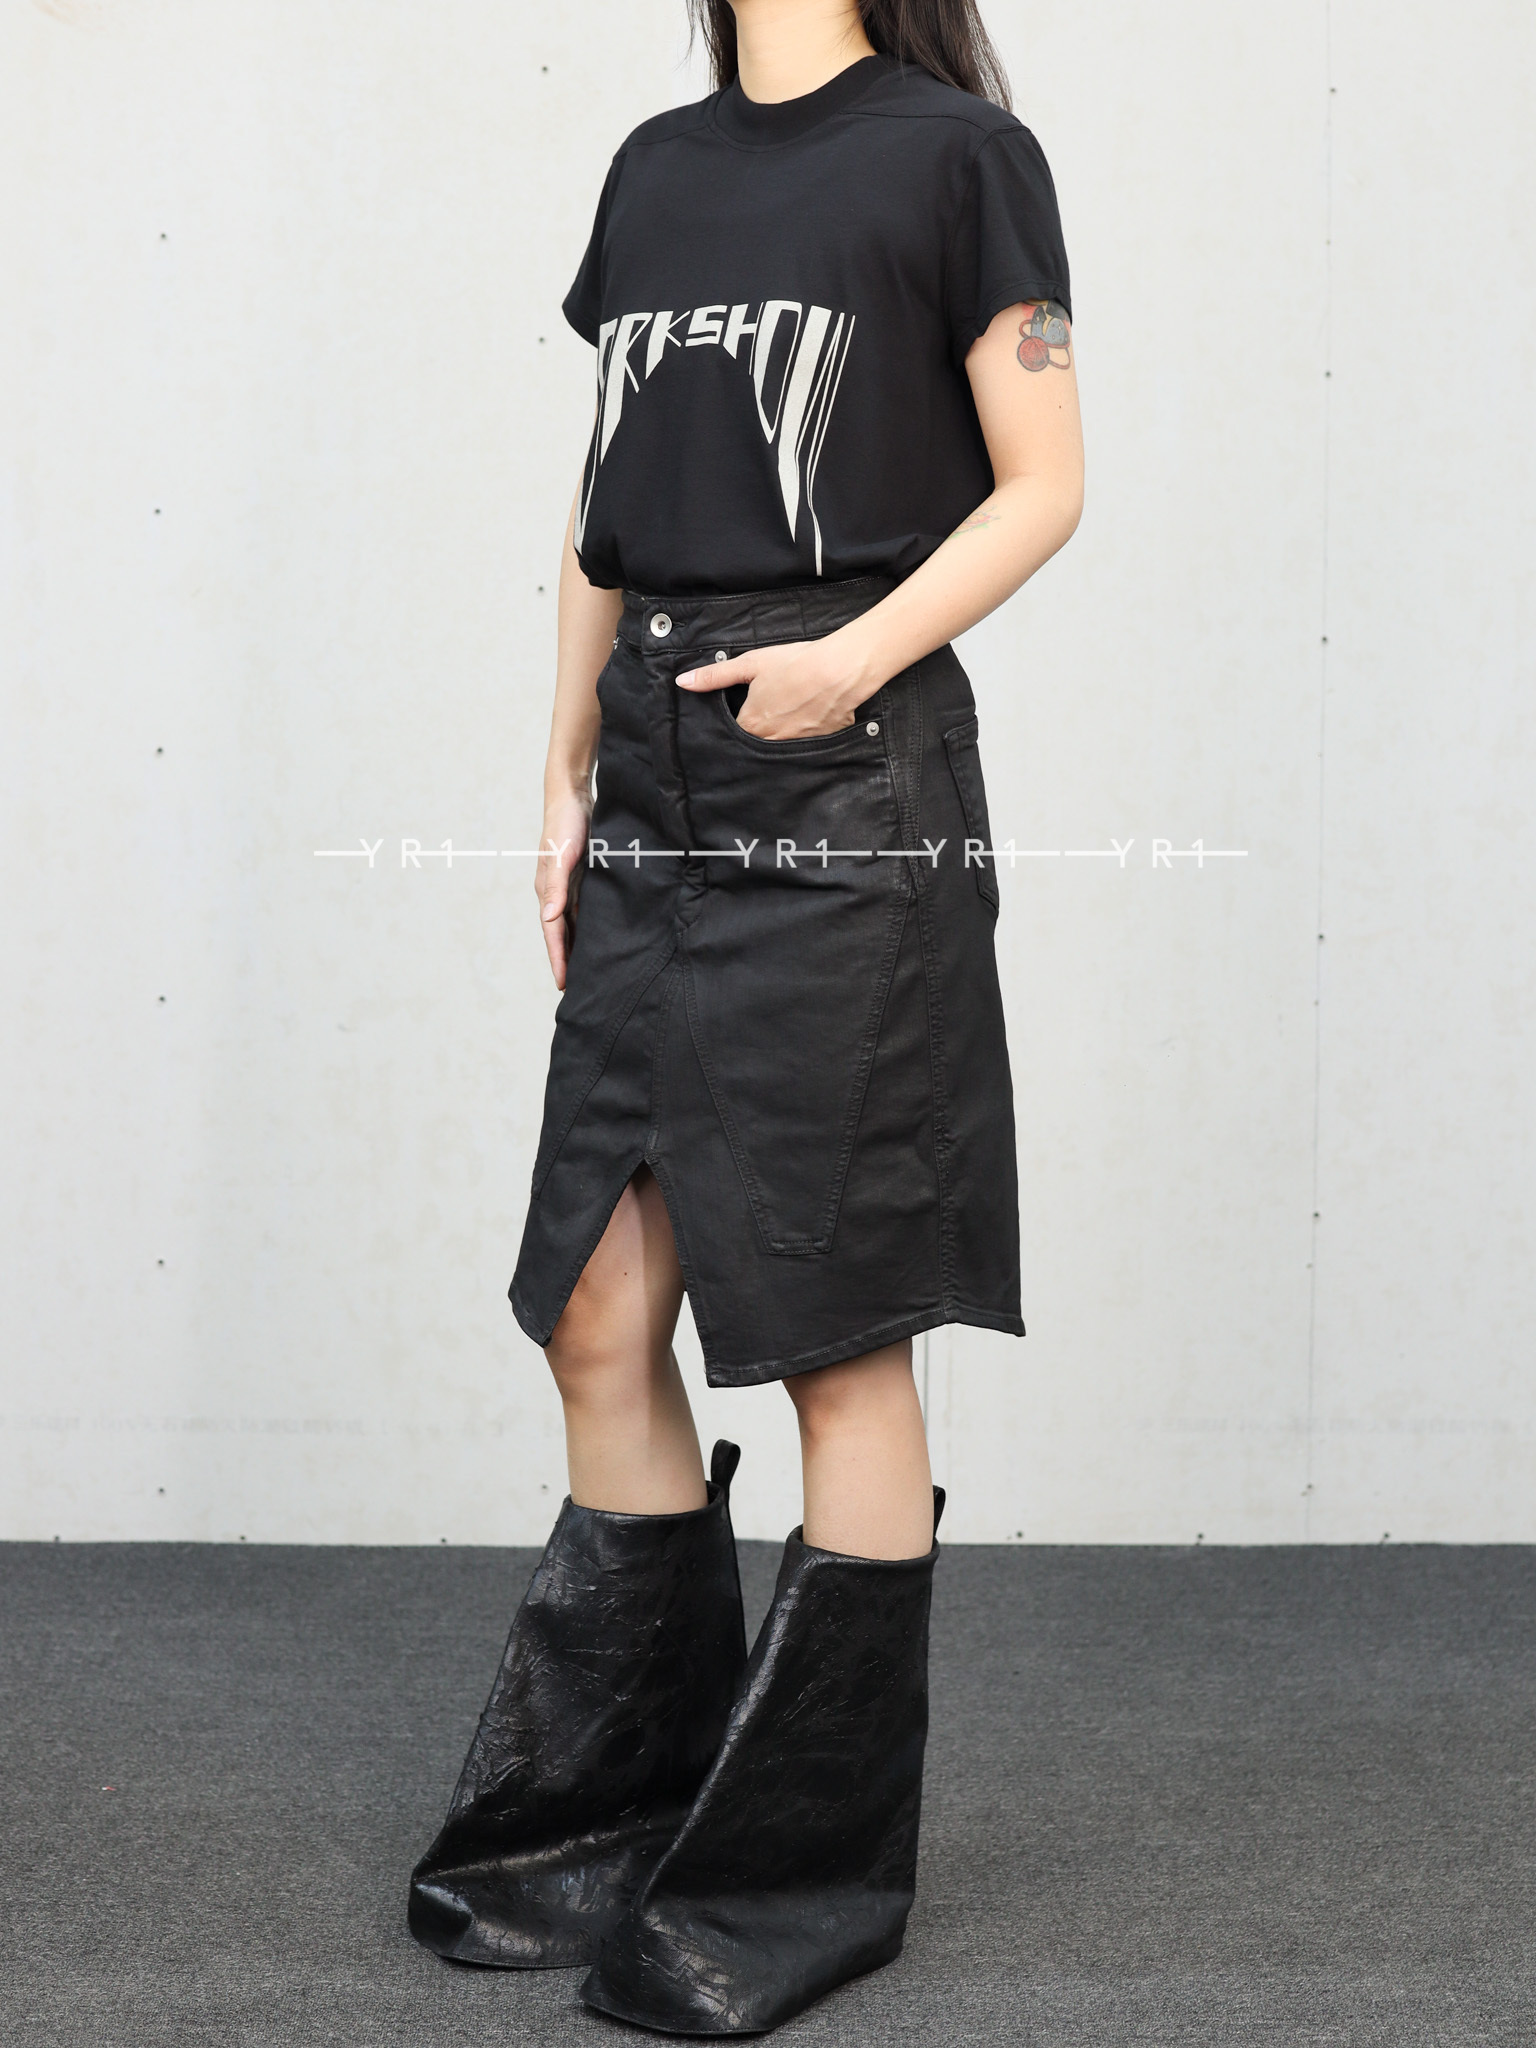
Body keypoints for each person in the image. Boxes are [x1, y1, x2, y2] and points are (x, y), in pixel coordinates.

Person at [407, 0, 1082, 2032]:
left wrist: (845, 661)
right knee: (596, 1308)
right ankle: (606, 1821)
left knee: (831, 1327)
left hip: (841, 773)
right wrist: (558, 769)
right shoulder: (657, 168)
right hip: (651, 766)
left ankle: (796, 1878)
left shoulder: (958, 157)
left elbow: (1045, 483)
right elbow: (601, 495)